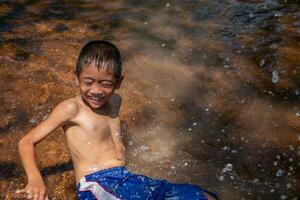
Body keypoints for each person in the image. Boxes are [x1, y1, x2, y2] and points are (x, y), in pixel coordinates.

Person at [16, 40, 218, 200]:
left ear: (119, 82)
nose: (96, 91)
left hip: (125, 178)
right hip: (96, 184)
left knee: (204, 196)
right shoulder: (71, 108)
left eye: (105, 83)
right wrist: (35, 179)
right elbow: (26, 142)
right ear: (76, 78)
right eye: (88, 82)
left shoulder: (115, 101)